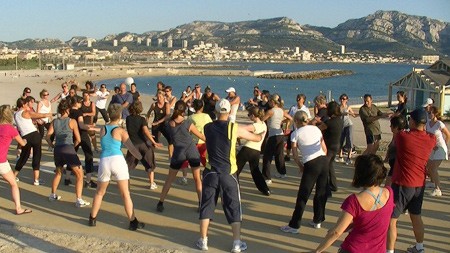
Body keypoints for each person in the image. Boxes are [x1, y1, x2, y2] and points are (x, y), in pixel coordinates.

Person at [197, 99, 265, 252]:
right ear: (228, 112)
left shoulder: (208, 127)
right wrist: (261, 133)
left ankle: (203, 240)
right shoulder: (233, 128)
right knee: (233, 207)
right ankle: (236, 243)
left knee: (207, 205)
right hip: (229, 173)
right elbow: (256, 138)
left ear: (215, 111)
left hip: (210, 172)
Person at [315, 155, 394, 253]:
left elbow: (336, 232)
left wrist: (318, 251)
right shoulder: (389, 193)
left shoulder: (354, 201)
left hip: (354, 249)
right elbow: (374, 219)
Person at [89, 104, 145, 231]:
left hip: (104, 161)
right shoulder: (121, 131)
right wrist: (142, 159)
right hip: (117, 160)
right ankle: (132, 221)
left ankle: (92, 218)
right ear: (120, 116)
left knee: (99, 192)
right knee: (125, 194)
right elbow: (131, 148)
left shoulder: (103, 129)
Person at [387, 108, 436, 253]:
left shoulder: (403, 137)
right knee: (416, 217)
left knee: (392, 219)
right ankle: (419, 247)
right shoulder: (430, 139)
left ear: (412, 121)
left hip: (403, 183)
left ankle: (389, 250)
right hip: (419, 185)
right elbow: (432, 136)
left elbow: (396, 132)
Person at [280, 110, 328, 234]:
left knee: (303, 195)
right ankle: (318, 219)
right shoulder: (316, 129)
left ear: (296, 121)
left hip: (311, 163)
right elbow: (324, 148)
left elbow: (295, 155)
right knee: (321, 192)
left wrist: (301, 166)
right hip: (323, 160)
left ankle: (294, 225)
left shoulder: (295, 134)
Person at [156, 100, 205, 212]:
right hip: (192, 151)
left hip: (179, 153)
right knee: (197, 179)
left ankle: (161, 202)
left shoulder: (169, 123)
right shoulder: (188, 123)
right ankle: (201, 204)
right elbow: (201, 136)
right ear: (184, 111)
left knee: (170, 179)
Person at [45, 101, 90, 207]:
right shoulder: (72, 121)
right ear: (67, 110)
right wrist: (72, 148)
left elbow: (47, 137)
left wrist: (52, 145)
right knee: (80, 174)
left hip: (58, 149)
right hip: (68, 148)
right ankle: (79, 200)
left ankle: (53, 194)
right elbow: (78, 139)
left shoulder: (55, 122)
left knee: (58, 172)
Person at [0, 105, 32, 215]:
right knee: (13, 184)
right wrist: (25, 140)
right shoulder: (10, 129)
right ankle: (18, 208)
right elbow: (22, 143)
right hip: (1, 161)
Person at [14, 98, 52, 185]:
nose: (28, 106)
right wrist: (49, 114)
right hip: (34, 135)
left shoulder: (15, 115)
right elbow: (39, 115)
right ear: (23, 105)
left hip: (25, 137)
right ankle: (36, 180)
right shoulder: (25, 112)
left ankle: (14, 175)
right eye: (26, 105)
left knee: (24, 156)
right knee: (37, 156)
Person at [125, 101, 162, 190]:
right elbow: (145, 130)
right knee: (150, 164)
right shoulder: (142, 119)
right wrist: (154, 142)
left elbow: (134, 131)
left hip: (132, 145)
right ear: (140, 109)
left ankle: (126, 183)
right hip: (143, 144)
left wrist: (148, 135)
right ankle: (151, 183)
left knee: (128, 165)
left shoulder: (128, 119)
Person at [236, 106, 270, 196]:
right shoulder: (264, 125)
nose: (248, 116)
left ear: (253, 116)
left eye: (249, 115)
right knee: (255, 171)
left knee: (235, 169)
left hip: (247, 149)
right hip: (256, 151)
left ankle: (234, 188)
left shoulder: (254, 126)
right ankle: (265, 189)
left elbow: (242, 129)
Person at [261, 94, 292, 183]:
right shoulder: (281, 110)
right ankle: (282, 173)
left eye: (270, 101)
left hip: (273, 135)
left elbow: (262, 119)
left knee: (267, 156)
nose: (269, 102)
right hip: (280, 134)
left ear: (273, 102)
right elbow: (290, 118)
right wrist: (283, 122)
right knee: (279, 155)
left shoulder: (271, 111)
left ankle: (267, 177)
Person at [69, 96, 96, 188]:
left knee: (72, 155)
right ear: (76, 103)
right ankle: (88, 180)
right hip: (82, 135)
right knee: (89, 155)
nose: (81, 104)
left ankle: (67, 178)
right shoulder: (78, 112)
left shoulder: (69, 111)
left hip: (72, 135)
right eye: (80, 102)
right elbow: (81, 125)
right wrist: (91, 128)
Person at [425, 106, 449, 197]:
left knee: (433, 168)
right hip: (432, 148)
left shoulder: (439, 124)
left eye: (430, 113)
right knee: (429, 166)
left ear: (435, 114)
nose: (429, 114)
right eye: (428, 113)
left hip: (440, 148)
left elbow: (448, 135)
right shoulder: (427, 124)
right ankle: (432, 182)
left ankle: (438, 189)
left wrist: (445, 145)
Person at [321, 101, 343, 193]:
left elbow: (319, 129)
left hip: (328, 147)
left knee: (325, 167)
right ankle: (333, 185)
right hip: (336, 145)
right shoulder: (340, 120)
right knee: (330, 165)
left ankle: (326, 188)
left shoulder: (329, 122)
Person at [146, 90, 173, 159]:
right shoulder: (154, 105)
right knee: (154, 142)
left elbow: (167, 115)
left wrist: (158, 122)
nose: (159, 98)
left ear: (164, 97)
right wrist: (146, 123)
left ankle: (170, 156)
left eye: (160, 97)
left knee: (171, 140)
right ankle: (151, 156)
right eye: (157, 97)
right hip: (155, 125)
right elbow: (148, 113)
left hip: (164, 124)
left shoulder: (167, 104)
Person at [285, 94, 311, 161]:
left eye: (300, 98)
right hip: (294, 129)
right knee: (289, 142)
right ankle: (287, 155)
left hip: (302, 129)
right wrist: (286, 126)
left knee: (302, 143)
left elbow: (309, 119)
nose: (298, 99)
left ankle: (305, 155)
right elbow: (289, 117)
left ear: (303, 100)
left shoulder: (306, 109)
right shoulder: (293, 108)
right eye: (297, 98)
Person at [384, 116, 407, 187]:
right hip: (393, 164)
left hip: (397, 165)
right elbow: (390, 147)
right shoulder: (395, 135)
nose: (390, 126)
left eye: (391, 125)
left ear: (396, 127)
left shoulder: (402, 137)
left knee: (388, 186)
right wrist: (386, 158)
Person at [337, 93, 356, 165]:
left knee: (349, 140)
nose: (342, 100)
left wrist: (352, 113)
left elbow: (354, 115)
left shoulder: (349, 107)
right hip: (341, 125)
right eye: (341, 98)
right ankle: (340, 157)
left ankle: (349, 158)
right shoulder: (338, 107)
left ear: (347, 100)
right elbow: (338, 114)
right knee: (340, 141)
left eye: (344, 99)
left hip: (349, 125)